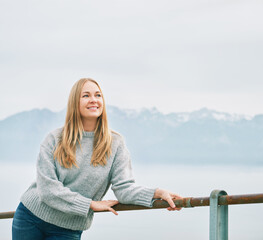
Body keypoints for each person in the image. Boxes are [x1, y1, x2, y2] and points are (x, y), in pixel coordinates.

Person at [12, 78, 182, 240]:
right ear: (74, 103)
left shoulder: (116, 143)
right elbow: (47, 189)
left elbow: (124, 188)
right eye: (86, 95)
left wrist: (157, 193)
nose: (93, 100)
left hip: (68, 227)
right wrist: (90, 204)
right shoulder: (54, 139)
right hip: (30, 217)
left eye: (98, 95)